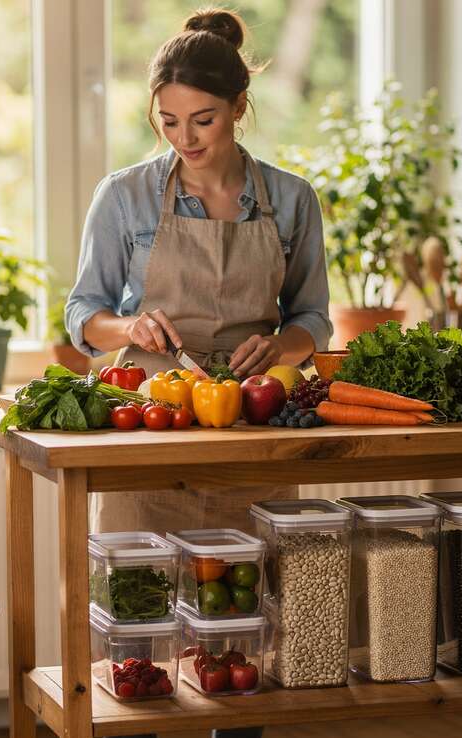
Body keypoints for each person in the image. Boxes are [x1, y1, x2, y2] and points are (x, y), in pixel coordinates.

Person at [66, 6, 332, 537]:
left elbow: (314, 319)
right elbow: (82, 314)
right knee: (139, 605)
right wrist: (130, 327)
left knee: (260, 604)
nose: (184, 139)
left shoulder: (291, 197)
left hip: (254, 428)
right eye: (168, 121)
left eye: (202, 120)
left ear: (239, 106)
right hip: (150, 425)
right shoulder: (124, 196)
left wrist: (281, 348)